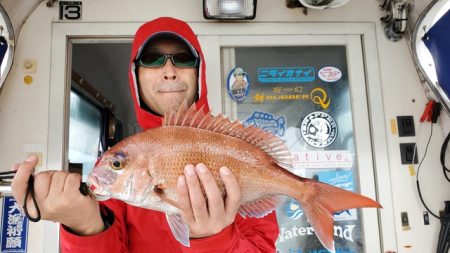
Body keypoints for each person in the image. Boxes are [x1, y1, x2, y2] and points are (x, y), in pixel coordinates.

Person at [11, 17, 279, 252]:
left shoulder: (239, 156)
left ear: (201, 73)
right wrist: (85, 225)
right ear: (135, 76)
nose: (169, 72)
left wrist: (214, 240)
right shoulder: (116, 183)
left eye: (183, 59)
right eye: (152, 59)